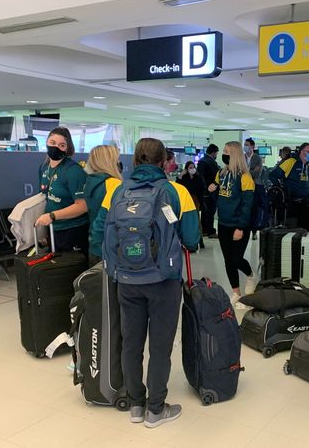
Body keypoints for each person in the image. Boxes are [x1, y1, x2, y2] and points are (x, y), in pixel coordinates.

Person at [108, 138, 199, 428]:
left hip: (126, 279)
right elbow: (193, 238)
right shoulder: (176, 192)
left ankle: (135, 405)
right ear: (164, 161)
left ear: (135, 160)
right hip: (163, 279)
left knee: (131, 343)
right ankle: (156, 409)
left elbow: (107, 234)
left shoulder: (119, 191)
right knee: (160, 346)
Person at [209, 141, 258, 304]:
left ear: (235, 155)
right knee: (228, 260)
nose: (224, 154)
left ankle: (251, 275)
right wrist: (212, 188)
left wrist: (240, 227)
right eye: (223, 151)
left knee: (236, 259)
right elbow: (218, 193)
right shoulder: (221, 174)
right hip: (223, 223)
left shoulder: (245, 177)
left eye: (227, 152)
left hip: (238, 225)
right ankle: (236, 291)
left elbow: (247, 205)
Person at [35, 127, 89, 256]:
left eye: (62, 145)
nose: (56, 147)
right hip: (53, 229)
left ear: (67, 148)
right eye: (52, 143)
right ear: (46, 143)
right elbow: (46, 198)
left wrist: (52, 216)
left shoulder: (73, 171)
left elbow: (82, 206)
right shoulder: (44, 168)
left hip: (72, 229)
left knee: (69, 271)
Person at [84, 145, 122, 266]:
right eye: (117, 159)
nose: (119, 162)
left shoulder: (89, 182)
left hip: (93, 244)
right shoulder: (114, 184)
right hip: (110, 246)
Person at [269, 143, 309, 231]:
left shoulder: (308, 168)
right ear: (302, 152)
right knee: (298, 228)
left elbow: (308, 184)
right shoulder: (291, 162)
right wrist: (281, 189)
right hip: (293, 201)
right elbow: (273, 175)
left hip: (306, 200)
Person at [177, 161, 206, 249]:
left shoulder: (199, 177)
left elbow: (202, 189)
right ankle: (186, 240)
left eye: (193, 167)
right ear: (186, 169)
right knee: (185, 220)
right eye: (190, 167)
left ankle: (200, 240)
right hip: (185, 200)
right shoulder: (184, 178)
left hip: (195, 200)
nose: (192, 169)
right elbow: (178, 186)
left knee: (196, 220)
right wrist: (180, 176)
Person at [197, 144, 221, 238]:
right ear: (214, 152)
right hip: (211, 191)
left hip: (204, 191)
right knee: (210, 212)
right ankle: (210, 231)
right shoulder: (211, 162)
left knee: (204, 212)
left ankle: (204, 230)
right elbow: (217, 176)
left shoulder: (201, 161)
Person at [244, 138, 263, 240]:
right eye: (245, 145)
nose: (245, 146)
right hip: (243, 187)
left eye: (247, 145)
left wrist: (245, 172)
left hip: (255, 186)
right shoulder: (242, 158)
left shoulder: (258, 158)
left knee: (254, 209)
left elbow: (257, 173)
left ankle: (254, 230)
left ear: (252, 146)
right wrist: (250, 170)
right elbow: (239, 172)